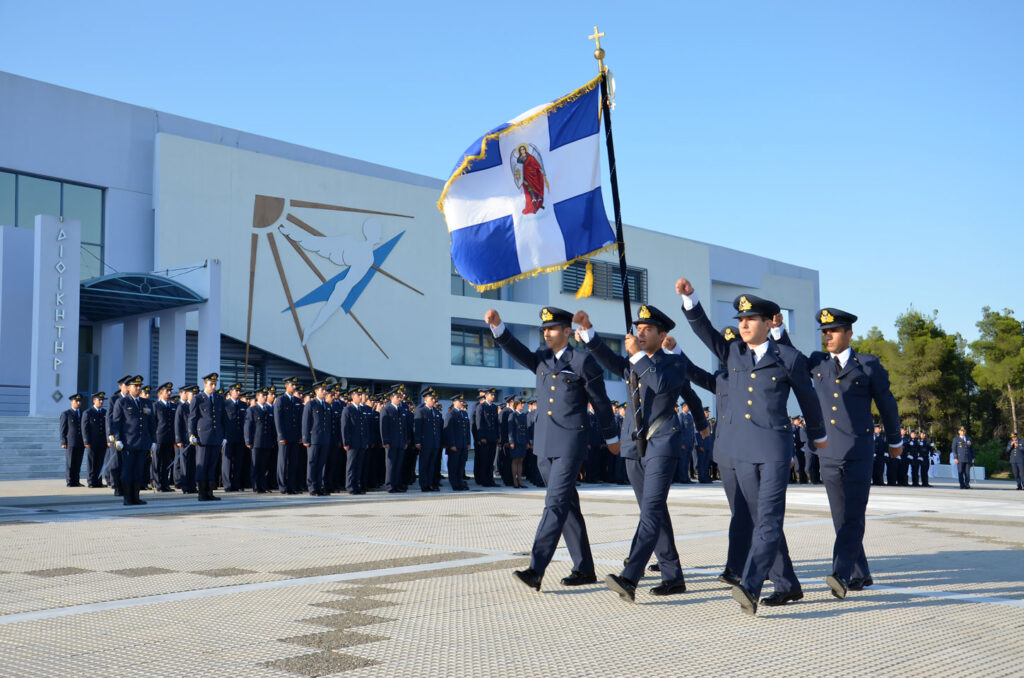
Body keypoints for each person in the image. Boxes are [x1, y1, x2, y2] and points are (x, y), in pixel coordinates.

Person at [677, 279, 826, 616]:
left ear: (769, 322)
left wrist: (818, 435)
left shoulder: (788, 357)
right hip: (742, 451)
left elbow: (808, 399)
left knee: (769, 521)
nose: (743, 325)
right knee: (761, 521)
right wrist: (690, 298)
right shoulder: (733, 353)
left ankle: (751, 585)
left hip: (773, 449)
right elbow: (705, 331)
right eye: (740, 320)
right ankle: (787, 585)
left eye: (750, 319)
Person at [575, 305, 708, 601]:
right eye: (639, 329)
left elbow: (659, 383)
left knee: (650, 512)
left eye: (648, 329)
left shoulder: (674, 363)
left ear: (662, 335)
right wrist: (589, 331)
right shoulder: (632, 362)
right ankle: (673, 577)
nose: (641, 333)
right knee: (654, 513)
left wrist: (637, 355)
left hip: (661, 444)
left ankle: (630, 577)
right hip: (634, 446)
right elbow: (607, 358)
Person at [486, 305, 618, 592]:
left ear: (567, 331)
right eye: (544, 329)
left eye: (553, 328)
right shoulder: (541, 358)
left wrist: (611, 437)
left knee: (554, 504)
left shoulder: (582, 361)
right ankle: (584, 569)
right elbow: (517, 350)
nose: (547, 333)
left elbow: (601, 401)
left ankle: (536, 569)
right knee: (567, 506)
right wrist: (498, 327)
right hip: (544, 445)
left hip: (570, 443)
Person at [778, 307, 902, 599]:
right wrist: (777, 330)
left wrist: (895, 439)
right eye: (824, 332)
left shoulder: (867, 364)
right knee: (840, 516)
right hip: (828, 451)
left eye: (833, 331)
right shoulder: (817, 362)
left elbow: (887, 404)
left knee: (853, 515)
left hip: (859, 450)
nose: (827, 337)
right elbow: (790, 356)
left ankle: (841, 573)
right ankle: (861, 572)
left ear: (849, 333)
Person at [110, 376, 156, 506]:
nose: (138, 388)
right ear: (129, 387)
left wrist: (153, 440)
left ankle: (136, 497)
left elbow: (151, 423)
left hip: (143, 443)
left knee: (138, 471)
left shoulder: (146, 403)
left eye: (139, 385)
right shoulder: (122, 402)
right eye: (135, 386)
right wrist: (117, 439)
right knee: (127, 471)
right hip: (128, 443)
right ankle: (127, 498)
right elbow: (116, 422)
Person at [188, 373, 225, 501]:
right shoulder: (198, 399)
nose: (214, 386)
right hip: (203, 437)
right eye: (211, 384)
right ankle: (202, 493)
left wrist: (224, 436)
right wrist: (191, 434)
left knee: (212, 465)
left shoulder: (219, 398)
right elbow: (192, 418)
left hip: (216, 436)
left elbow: (222, 418)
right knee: (202, 465)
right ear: (205, 384)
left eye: (215, 384)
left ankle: (210, 492)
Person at [302, 380, 333, 496]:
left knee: (321, 464)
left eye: (325, 390)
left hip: (324, 439)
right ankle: (312, 487)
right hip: (314, 439)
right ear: (316, 391)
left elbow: (328, 424)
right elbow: (306, 423)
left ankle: (319, 486)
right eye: (322, 390)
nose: (324, 392)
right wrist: (306, 438)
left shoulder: (327, 405)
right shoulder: (311, 404)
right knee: (312, 463)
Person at [275, 377, 305, 495]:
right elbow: (278, 420)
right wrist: (281, 435)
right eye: (292, 385)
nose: (294, 387)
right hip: (285, 436)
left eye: (295, 385)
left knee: (293, 462)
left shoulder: (297, 401)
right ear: (286, 386)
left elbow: (300, 420)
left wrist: (300, 435)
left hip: (295, 436)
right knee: (283, 462)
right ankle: (283, 486)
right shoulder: (281, 400)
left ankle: (291, 486)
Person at [244, 388, 276, 493]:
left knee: (264, 465)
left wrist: (272, 440)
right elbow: (248, 427)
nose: (265, 397)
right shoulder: (252, 410)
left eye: (266, 395)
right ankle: (256, 485)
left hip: (267, 442)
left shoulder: (268, 409)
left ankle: (263, 485)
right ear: (257, 397)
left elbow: (271, 427)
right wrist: (248, 441)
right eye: (263, 395)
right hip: (256, 442)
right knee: (256, 464)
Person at [414, 388, 444, 492]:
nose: (433, 400)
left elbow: (439, 428)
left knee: (432, 465)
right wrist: (417, 442)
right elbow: (417, 428)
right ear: (426, 399)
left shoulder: (435, 411)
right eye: (431, 399)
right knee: (424, 464)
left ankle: (431, 483)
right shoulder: (421, 411)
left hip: (435, 443)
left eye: (434, 399)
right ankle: (424, 484)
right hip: (425, 443)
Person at [380, 387, 408, 493]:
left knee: (398, 465)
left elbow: (404, 427)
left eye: (400, 397)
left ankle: (397, 484)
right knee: (391, 465)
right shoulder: (386, 409)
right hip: (391, 442)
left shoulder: (401, 409)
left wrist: (405, 441)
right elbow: (383, 427)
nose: (399, 399)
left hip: (400, 442)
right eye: (397, 397)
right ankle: (390, 485)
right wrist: (385, 441)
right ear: (391, 398)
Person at [151, 383, 176, 492]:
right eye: (167, 391)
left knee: (166, 463)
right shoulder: (156, 405)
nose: (169, 393)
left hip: (169, 438)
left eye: (170, 391)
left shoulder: (172, 406)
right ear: (160, 393)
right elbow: (153, 423)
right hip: (159, 438)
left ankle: (165, 484)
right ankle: (158, 484)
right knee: (157, 462)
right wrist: (153, 439)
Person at [443, 394, 471, 491]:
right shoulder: (451, 414)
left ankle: (460, 482)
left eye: (462, 401)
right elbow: (448, 430)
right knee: (453, 466)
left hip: (463, 444)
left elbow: (467, 430)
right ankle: (454, 484)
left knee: (461, 466)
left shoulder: (464, 414)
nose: (461, 403)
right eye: (460, 401)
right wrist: (451, 444)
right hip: (455, 445)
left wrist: (468, 442)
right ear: (454, 402)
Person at [222, 384, 246, 492]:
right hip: (228, 437)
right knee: (227, 462)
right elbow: (222, 421)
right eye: (236, 390)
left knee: (238, 461)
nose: (238, 392)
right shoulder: (225, 404)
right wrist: (223, 436)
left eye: (239, 390)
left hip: (240, 437)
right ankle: (227, 484)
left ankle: (236, 484)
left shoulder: (243, 404)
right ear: (231, 392)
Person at [472, 389, 500, 487]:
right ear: (486, 396)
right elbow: (479, 423)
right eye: (492, 395)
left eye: (494, 395)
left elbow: (496, 423)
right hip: (485, 438)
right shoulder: (481, 406)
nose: (493, 396)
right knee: (484, 460)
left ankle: (490, 480)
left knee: (491, 460)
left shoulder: (494, 407)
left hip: (493, 438)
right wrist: (481, 437)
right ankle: (484, 480)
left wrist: (498, 436)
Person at [173, 386, 198, 493]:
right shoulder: (182, 407)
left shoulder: (197, 406)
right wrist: (178, 439)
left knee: (193, 464)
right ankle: (185, 486)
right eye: (193, 394)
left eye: (196, 394)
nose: (195, 396)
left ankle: (192, 486)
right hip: (185, 440)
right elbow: (178, 424)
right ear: (187, 395)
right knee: (185, 464)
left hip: (195, 441)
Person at [59, 393, 86, 487]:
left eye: (80, 401)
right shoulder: (66, 414)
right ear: (71, 402)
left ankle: (76, 480)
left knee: (78, 462)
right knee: (70, 462)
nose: (78, 403)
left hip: (81, 441)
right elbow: (63, 429)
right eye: (76, 401)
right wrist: (63, 441)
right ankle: (70, 481)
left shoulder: (83, 413)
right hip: (71, 441)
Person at [81, 392, 107, 488]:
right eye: (99, 400)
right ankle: (91, 481)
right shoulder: (88, 412)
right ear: (94, 401)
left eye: (102, 400)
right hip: (92, 442)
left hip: (102, 442)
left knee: (100, 462)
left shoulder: (105, 412)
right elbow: (85, 428)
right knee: (92, 462)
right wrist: (86, 441)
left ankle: (99, 481)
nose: (101, 401)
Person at [508, 397, 530, 488]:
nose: (523, 405)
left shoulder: (524, 415)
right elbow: (510, 430)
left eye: (523, 403)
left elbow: (526, 429)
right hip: (516, 441)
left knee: (520, 460)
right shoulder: (513, 415)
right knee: (515, 460)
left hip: (522, 441)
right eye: (521, 403)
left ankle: (520, 480)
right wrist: (511, 441)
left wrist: (527, 442)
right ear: (516, 404)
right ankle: (515, 480)